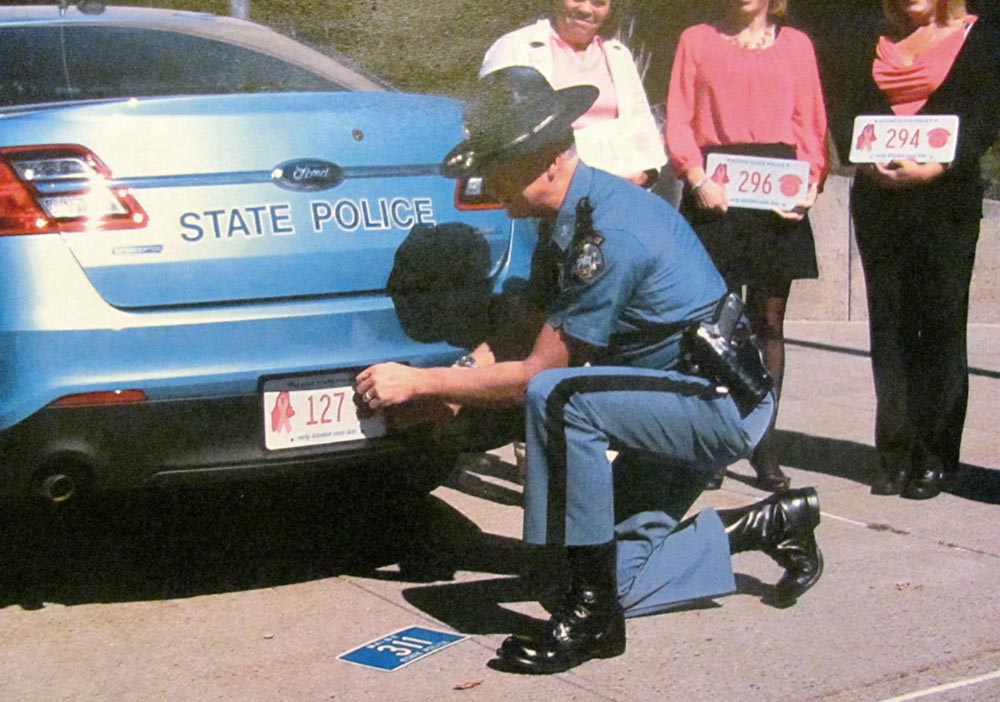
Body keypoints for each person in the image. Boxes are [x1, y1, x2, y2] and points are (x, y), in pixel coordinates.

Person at [356, 66, 823, 675]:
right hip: (666, 404)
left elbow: (536, 374)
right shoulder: (569, 217)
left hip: (713, 406)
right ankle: (766, 526)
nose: (488, 178)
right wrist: (456, 388)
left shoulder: (606, 232)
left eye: (498, 162)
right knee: (611, 575)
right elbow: (525, 327)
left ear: (546, 159)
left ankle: (591, 622)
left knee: (560, 398)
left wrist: (423, 381)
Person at [834, 0, 1000, 499]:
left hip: (945, 198)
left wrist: (936, 167)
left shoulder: (980, 37)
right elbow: (845, 109)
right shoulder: (873, 39)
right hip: (879, 198)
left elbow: (984, 113)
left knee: (942, 324)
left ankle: (935, 454)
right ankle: (893, 452)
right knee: (889, 325)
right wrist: (862, 161)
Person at [664, 0, 829, 492]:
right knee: (714, 328)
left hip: (777, 191)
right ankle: (714, 445)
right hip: (716, 189)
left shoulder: (798, 45)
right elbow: (679, 117)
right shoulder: (697, 39)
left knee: (768, 324)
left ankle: (764, 444)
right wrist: (696, 178)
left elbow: (811, 123)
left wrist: (807, 187)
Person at [480, 0, 666, 187]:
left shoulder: (618, 53)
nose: (586, 9)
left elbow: (641, 121)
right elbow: (499, 131)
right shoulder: (514, 46)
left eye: (599, 3)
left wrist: (645, 172)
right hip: (549, 189)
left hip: (619, 187)